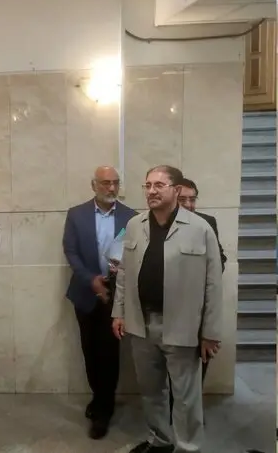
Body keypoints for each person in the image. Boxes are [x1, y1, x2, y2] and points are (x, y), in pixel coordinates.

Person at [112, 165, 223, 453]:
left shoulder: (200, 228)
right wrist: (118, 312)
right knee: (151, 392)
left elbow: (213, 284)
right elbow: (124, 272)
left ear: (176, 190)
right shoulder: (135, 225)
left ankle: (188, 448)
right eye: (147, 185)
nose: (151, 191)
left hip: (183, 326)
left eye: (159, 185)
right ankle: (160, 441)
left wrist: (210, 332)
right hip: (141, 323)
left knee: (186, 397)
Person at [62, 166, 137, 439]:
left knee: (109, 354)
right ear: (93, 185)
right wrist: (90, 279)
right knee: (90, 351)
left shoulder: (131, 217)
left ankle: (104, 410)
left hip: (116, 295)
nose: (111, 188)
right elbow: (70, 251)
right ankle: (99, 396)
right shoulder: (76, 214)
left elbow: (134, 253)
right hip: (85, 293)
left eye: (115, 183)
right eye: (105, 183)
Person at [169, 177, 227, 424]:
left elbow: (220, 259)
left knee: (199, 363)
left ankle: (190, 414)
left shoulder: (207, 223)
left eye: (193, 199)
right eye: (183, 200)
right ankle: (173, 414)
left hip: (199, 310)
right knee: (171, 369)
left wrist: (203, 272)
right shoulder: (160, 223)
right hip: (169, 311)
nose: (189, 205)